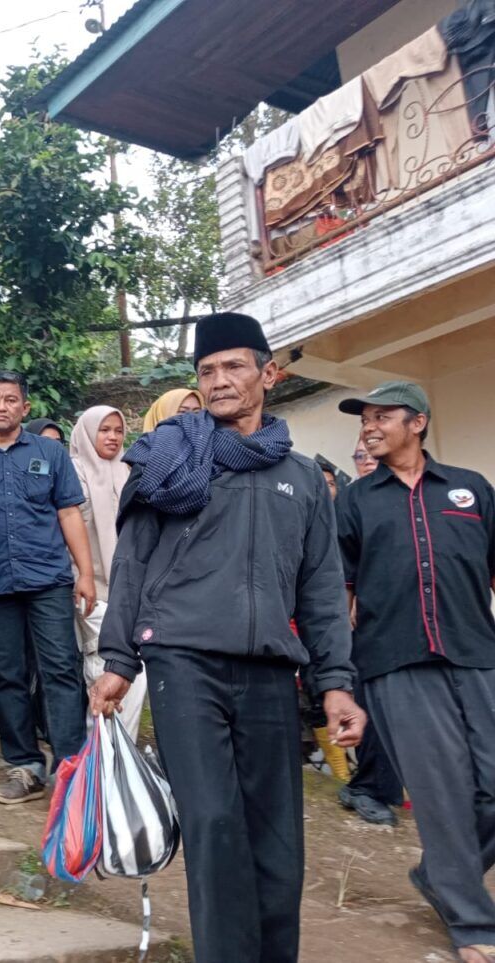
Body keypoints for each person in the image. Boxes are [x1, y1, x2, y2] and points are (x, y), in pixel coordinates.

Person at [91, 312, 365, 963]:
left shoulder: (302, 478)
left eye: (234, 366)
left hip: (269, 670)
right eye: (207, 370)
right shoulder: (169, 461)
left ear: (268, 375)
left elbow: (322, 588)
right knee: (213, 822)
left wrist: (335, 683)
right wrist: (119, 658)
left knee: (277, 836)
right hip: (183, 662)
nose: (218, 380)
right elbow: (133, 561)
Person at [337, 381, 495, 963]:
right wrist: (339, 678)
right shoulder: (354, 501)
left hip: (477, 653)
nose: (369, 427)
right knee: (442, 794)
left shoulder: (470, 489)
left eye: (382, 417)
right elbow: (339, 590)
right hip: (396, 661)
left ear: (418, 422)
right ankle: (473, 922)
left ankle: (441, 874)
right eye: (365, 419)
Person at [0, 371, 95, 805]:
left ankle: (70, 768)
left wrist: (85, 573)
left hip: (48, 580)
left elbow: (69, 513)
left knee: (61, 671)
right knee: (7, 676)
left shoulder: (50, 452)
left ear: (25, 407)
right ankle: (25, 767)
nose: (2, 406)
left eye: (11, 399)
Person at [309, 452, 402, 825]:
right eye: (362, 454)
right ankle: (367, 786)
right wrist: (344, 613)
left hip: (411, 623)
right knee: (370, 707)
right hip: (361, 625)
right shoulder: (353, 501)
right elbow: (339, 568)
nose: (369, 459)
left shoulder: (418, 495)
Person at [68, 406, 147, 740]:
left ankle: (120, 754)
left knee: (134, 676)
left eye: (118, 430)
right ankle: (101, 755)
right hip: (92, 590)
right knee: (102, 670)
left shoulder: (131, 470)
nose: (113, 437)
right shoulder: (71, 472)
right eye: (104, 430)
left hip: (131, 592)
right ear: (87, 433)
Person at [140, 387, 205, 433]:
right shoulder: (145, 447)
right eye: (182, 412)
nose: (191, 418)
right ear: (162, 414)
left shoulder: (206, 445)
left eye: (196, 412)